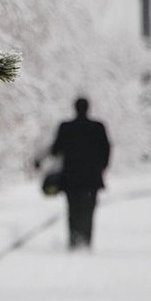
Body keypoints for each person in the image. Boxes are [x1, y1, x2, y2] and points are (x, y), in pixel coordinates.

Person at [48, 98, 112, 250]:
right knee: (89, 210)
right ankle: (86, 241)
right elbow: (106, 149)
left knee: (73, 209)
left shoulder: (66, 127)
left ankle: (74, 240)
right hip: (91, 178)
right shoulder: (97, 127)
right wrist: (101, 167)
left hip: (71, 178)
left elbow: (55, 149)